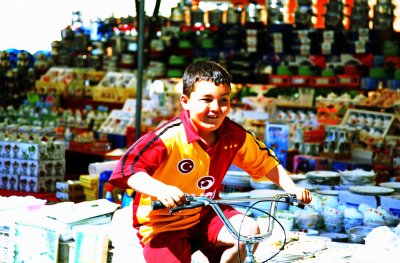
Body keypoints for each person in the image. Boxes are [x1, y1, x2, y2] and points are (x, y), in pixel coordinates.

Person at [108, 60, 312, 263]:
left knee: (249, 230)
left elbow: (266, 161)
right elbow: (128, 169)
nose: (216, 108)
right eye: (206, 99)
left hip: (206, 213)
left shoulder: (234, 135)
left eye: (224, 100)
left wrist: (291, 188)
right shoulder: (169, 136)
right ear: (185, 101)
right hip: (163, 223)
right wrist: (161, 190)